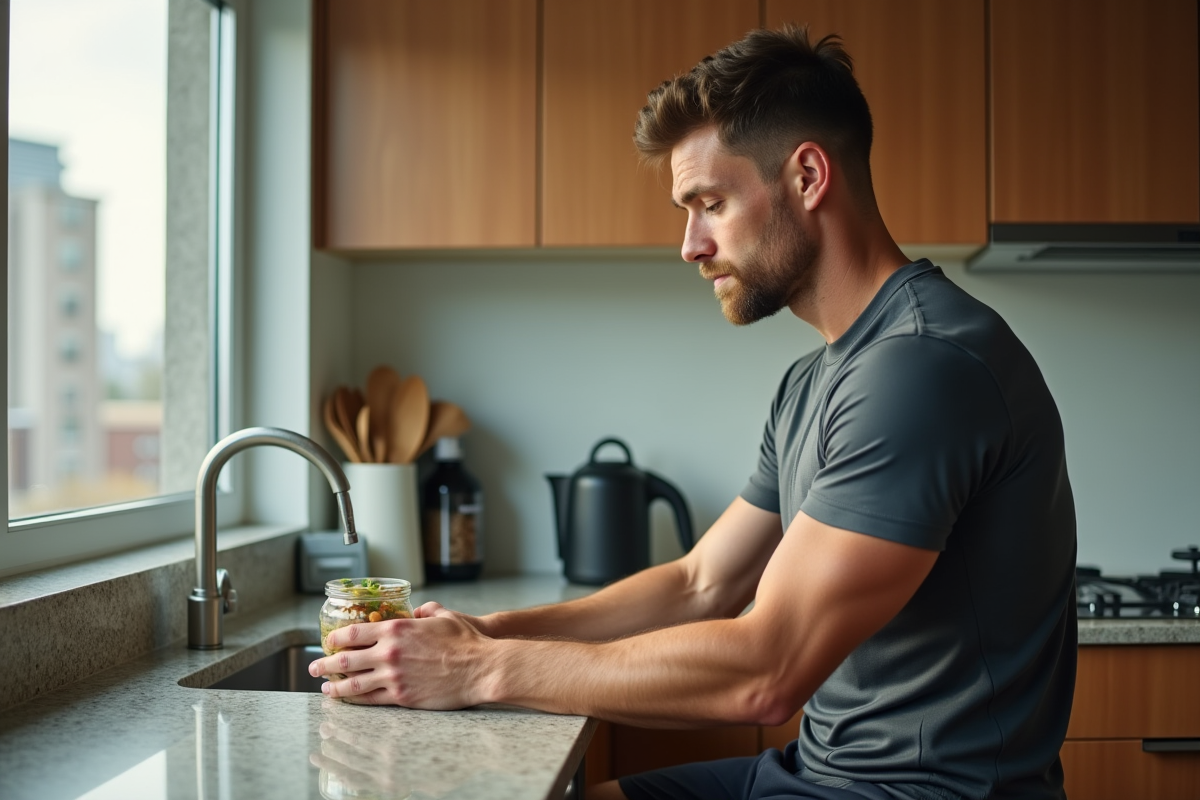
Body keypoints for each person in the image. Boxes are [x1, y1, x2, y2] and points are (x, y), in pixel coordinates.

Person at [309, 25, 1078, 800]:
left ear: (807, 175)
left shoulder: (921, 369)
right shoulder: (818, 379)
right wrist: (490, 631)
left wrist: (480, 670)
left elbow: (766, 671)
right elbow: (700, 583)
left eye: (710, 203)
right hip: (822, 777)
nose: (690, 245)